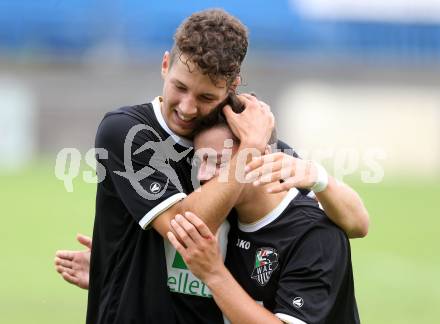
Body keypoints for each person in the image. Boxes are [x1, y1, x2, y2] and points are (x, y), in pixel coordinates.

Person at [55, 8, 369, 324]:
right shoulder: (128, 132)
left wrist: (316, 176)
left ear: (232, 87)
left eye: (206, 96)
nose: (188, 107)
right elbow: (183, 228)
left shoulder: (233, 137)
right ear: (165, 65)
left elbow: (355, 225)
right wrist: (123, 262)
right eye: (180, 87)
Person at [166, 113, 360, 323]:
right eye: (200, 162)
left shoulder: (314, 233)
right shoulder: (224, 218)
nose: (203, 175)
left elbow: (360, 225)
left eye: (218, 162)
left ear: (262, 156)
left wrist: (213, 274)